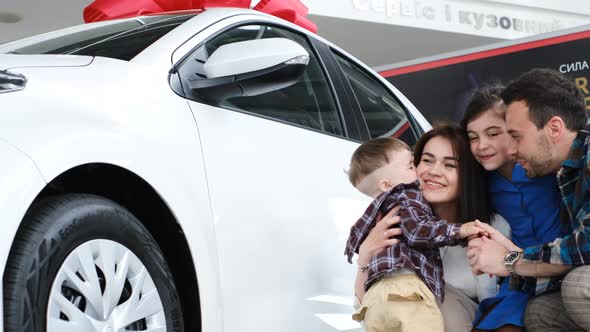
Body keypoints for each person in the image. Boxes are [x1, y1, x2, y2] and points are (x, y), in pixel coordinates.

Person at [466, 68, 590, 331]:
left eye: (516, 136)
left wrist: (510, 259)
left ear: (554, 128)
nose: (510, 150)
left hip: (575, 280)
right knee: (541, 312)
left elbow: (586, 246)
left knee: (579, 286)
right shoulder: (568, 173)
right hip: (550, 274)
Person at [354, 124, 510, 332]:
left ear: (468, 175)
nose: (433, 172)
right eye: (426, 161)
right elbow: (365, 307)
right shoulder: (392, 220)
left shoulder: (491, 226)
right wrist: (364, 258)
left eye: (450, 165)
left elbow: (497, 301)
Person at [461, 86, 561, 331]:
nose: (482, 145)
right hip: (518, 276)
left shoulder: (547, 166)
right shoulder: (480, 183)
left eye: (493, 133)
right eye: (473, 137)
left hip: (563, 264)